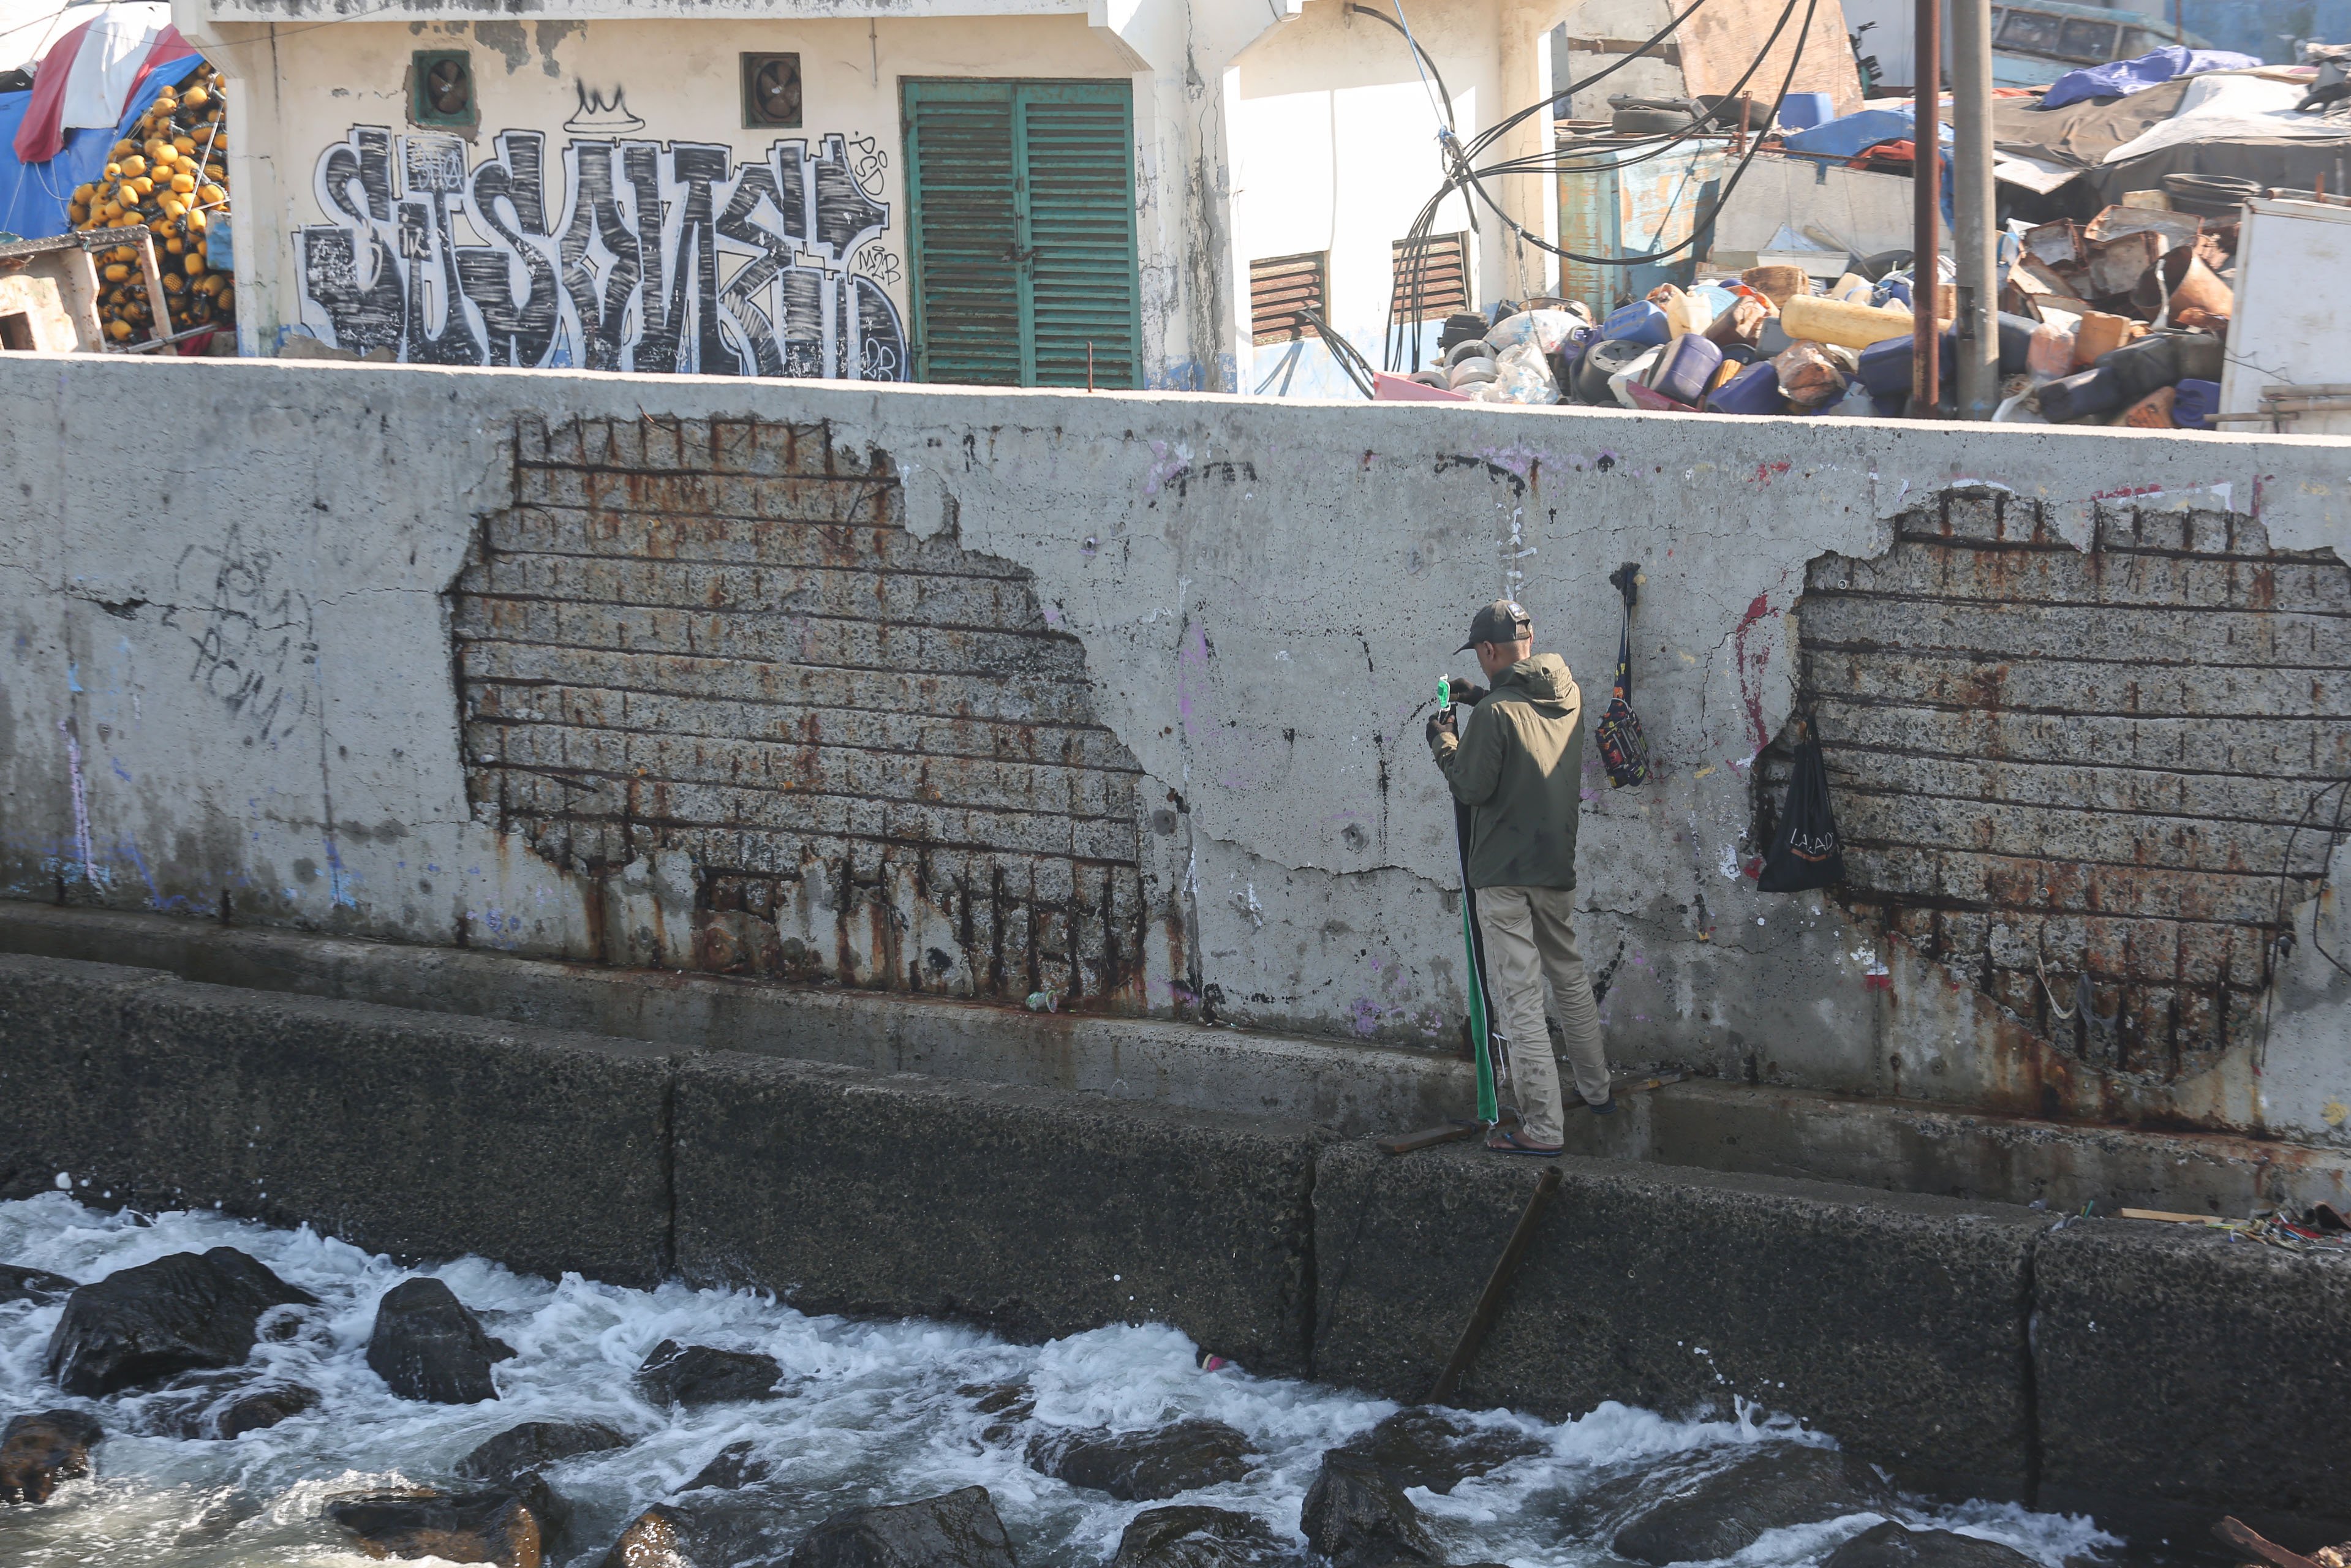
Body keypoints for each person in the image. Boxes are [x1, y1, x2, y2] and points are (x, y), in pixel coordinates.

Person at [1425, 598, 1611, 1155]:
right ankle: (1598, 1090)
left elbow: (1471, 786)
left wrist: (1443, 741)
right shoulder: (1567, 694)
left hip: (1503, 875)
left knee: (1521, 998)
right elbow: (1525, 723)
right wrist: (1482, 698)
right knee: (1569, 977)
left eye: (1480, 659)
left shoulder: (1496, 715)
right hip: (1555, 866)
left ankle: (1544, 1129)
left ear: (1487, 650)